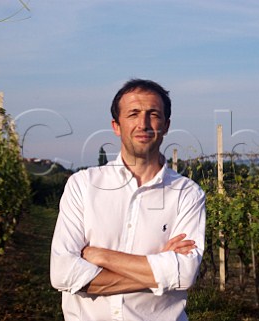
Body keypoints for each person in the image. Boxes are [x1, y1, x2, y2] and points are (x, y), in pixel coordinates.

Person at [50, 79, 206, 321]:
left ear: (166, 126)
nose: (143, 124)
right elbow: (62, 274)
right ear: (116, 126)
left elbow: (184, 275)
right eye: (133, 114)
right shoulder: (82, 185)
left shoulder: (188, 193)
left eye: (153, 114)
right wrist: (160, 268)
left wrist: (100, 256)